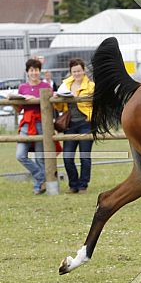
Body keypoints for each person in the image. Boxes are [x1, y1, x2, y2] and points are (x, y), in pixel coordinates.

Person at [54, 58, 95, 193]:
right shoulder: (65, 85)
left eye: (79, 71)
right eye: (74, 71)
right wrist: (57, 98)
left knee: (84, 156)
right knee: (67, 157)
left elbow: (97, 105)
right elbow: (60, 107)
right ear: (70, 72)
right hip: (70, 125)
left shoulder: (91, 86)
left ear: (84, 71)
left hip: (85, 123)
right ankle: (73, 184)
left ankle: (83, 185)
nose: (77, 73)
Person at [15, 59, 52, 195]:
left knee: (40, 157)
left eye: (36, 70)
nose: (34, 73)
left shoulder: (46, 86)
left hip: (42, 123)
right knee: (20, 155)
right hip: (26, 123)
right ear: (27, 72)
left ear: (39, 71)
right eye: (31, 70)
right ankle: (41, 177)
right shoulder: (22, 87)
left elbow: (51, 106)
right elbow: (18, 109)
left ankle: (38, 187)